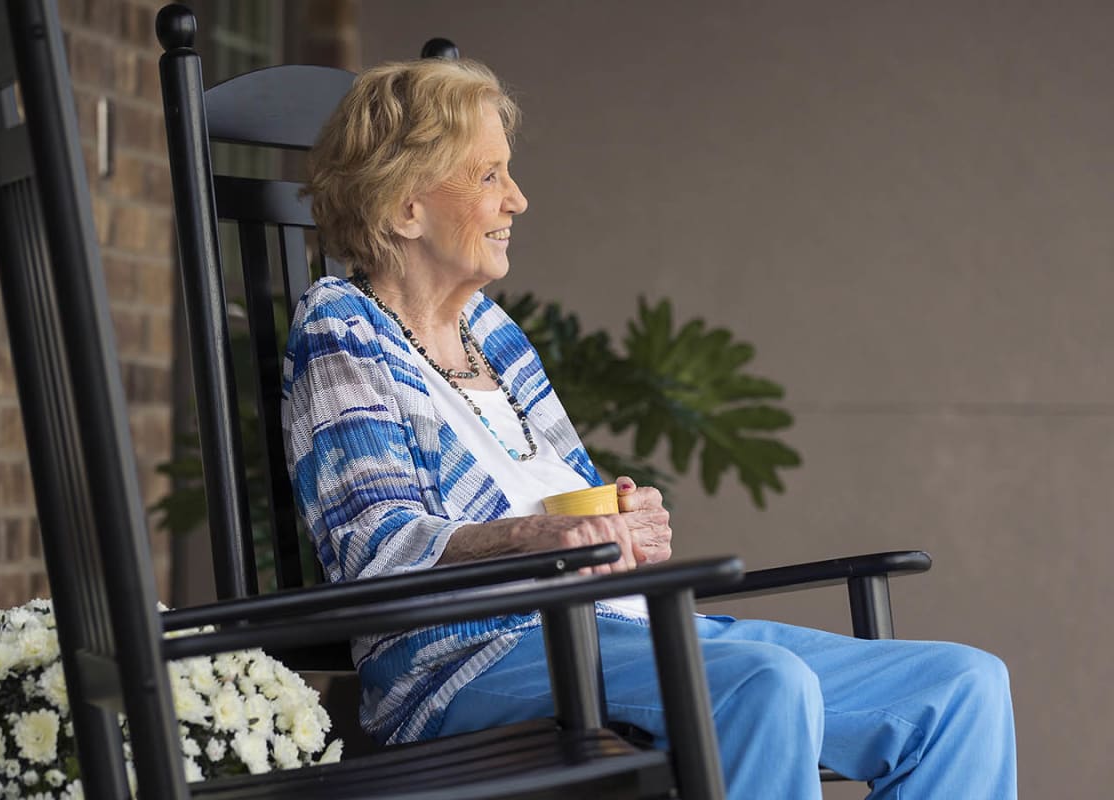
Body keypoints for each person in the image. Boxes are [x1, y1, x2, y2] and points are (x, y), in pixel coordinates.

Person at [282, 58, 1017, 799]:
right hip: (470, 659)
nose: (519, 200)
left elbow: (566, 503)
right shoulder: (344, 326)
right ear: (407, 206)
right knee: (760, 685)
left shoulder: (491, 334)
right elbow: (371, 544)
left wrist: (629, 526)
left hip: (617, 630)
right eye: (487, 177)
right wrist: (529, 540)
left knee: (960, 689)